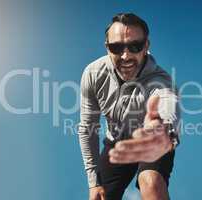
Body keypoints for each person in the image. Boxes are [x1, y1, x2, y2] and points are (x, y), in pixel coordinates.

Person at [78, 13, 180, 200]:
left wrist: (167, 130)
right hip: (117, 142)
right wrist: (94, 182)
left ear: (146, 46)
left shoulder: (161, 81)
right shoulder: (93, 74)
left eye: (135, 46)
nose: (125, 56)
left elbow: (168, 103)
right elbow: (87, 128)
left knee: (150, 181)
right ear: (107, 47)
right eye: (117, 47)